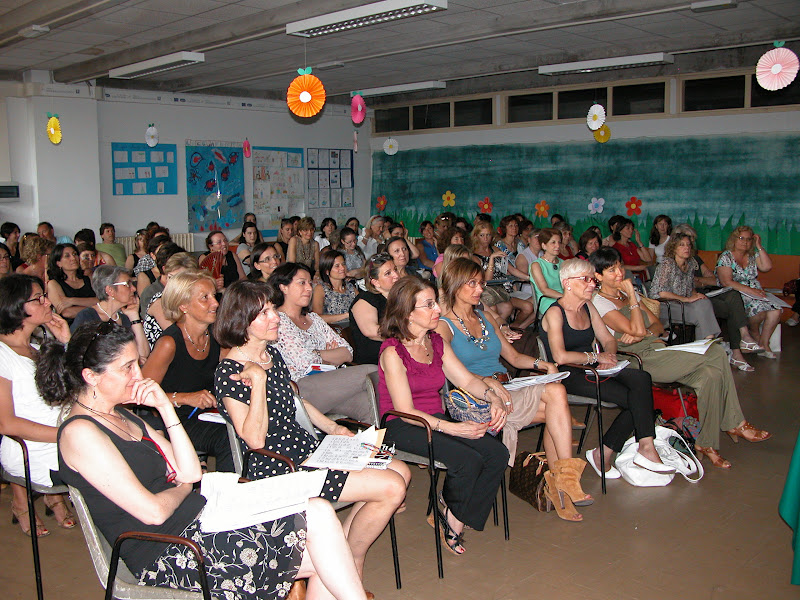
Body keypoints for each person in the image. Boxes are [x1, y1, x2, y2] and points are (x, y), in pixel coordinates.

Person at [40, 322, 369, 600]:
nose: (139, 376)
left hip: (200, 521)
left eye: (136, 364)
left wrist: (166, 409)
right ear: (91, 376)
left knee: (322, 524)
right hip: (170, 553)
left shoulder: (125, 416)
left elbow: (192, 471)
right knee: (325, 547)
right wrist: (183, 487)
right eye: (127, 368)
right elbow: (154, 511)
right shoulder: (80, 433)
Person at [214, 280, 410, 582]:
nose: (276, 317)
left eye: (272, 310)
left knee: (400, 470)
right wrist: (258, 383)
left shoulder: (271, 355)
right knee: (392, 487)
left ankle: (336, 555)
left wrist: (335, 429)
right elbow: (253, 439)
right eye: (264, 313)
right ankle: (351, 561)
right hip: (280, 465)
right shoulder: (230, 371)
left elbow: (297, 402)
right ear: (241, 321)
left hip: (308, 447)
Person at [436, 258, 591, 520]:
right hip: (474, 397)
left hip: (506, 387)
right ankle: (562, 485)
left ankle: (563, 480)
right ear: (454, 285)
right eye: (472, 283)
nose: (479, 289)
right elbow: (448, 371)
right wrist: (486, 382)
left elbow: (514, 358)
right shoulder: (443, 326)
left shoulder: (485, 317)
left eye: (480, 283)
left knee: (555, 394)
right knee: (556, 406)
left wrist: (544, 364)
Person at [589, 247, 770, 469]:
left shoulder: (627, 294)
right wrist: (635, 306)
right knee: (715, 352)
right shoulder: (600, 302)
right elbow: (632, 327)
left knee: (711, 375)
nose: (619, 273)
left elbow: (656, 325)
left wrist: (642, 329)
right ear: (598, 276)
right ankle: (735, 422)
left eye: (619, 267)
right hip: (638, 359)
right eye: (611, 270)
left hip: (657, 349)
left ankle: (707, 444)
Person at [379, 277, 511, 552]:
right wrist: (453, 428)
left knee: (496, 453)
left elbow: (467, 380)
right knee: (467, 459)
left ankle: (453, 513)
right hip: (402, 425)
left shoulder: (436, 342)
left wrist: (492, 397)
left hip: (434, 419)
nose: (437, 309)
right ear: (407, 312)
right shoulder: (393, 351)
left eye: (435, 302)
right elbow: (405, 412)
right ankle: (454, 523)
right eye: (428, 305)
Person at [540, 258, 670, 482]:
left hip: (595, 368)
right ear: (567, 283)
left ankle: (644, 444)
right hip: (567, 374)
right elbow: (560, 356)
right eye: (586, 280)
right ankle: (608, 451)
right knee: (636, 400)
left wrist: (609, 356)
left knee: (642, 378)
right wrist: (595, 357)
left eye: (593, 280)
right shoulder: (555, 313)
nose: (592, 284)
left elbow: (608, 340)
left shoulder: (588, 307)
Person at [0, 275, 74, 537]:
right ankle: (23, 503)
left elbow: (73, 389)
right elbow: (6, 424)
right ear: (17, 307)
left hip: (60, 438)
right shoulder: (2, 355)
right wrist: (65, 434)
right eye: (38, 298)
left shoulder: (37, 347)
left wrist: (65, 341)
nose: (47, 302)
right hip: (31, 447)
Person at [141, 270, 233, 472]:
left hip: (208, 414)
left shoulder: (214, 335)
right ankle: (228, 495)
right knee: (227, 437)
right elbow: (140, 394)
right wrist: (184, 398)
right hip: (176, 420)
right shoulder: (169, 343)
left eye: (214, 296)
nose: (215, 303)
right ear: (183, 306)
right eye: (205, 298)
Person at [269, 263, 378, 422]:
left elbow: (348, 352)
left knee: (371, 406)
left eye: (309, 283)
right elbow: (305, 362)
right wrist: (330, 356)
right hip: (302, 388)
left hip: (331, 384)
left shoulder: (313, 318)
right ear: (283, 287)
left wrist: (317, 354)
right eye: (302, 283)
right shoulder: (278, 321)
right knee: (372, 371)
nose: (309, 288)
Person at [672, 223, 761, 370]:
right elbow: (679, 287)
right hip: (692, 301)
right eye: (687, 242)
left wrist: (699, 282)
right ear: (676, 242)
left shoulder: (695, 259)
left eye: (692, 241)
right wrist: (696, 285)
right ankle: (738, 351)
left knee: (733, 295)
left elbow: (713, 278)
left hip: (708, 293)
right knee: (733, 305)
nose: (690, 245)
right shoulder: (671, 262)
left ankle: (743, 339)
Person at [716, 226, 782, 358]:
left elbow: (767, 266)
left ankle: (764, 343)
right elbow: (727, 282)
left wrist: (759, 246)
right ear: (734, 239)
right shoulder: (726, 257)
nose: (745, 242)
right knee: (758, 312)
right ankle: (754, 334)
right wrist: (751, 291)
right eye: (741, 238)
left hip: (755, 291)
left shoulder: (752, 255)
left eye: (748, 239)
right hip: (735, 292)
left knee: (776, 310)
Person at [649, 233, 722, 340]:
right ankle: (708, 343)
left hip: (682, 304)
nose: (686, 247)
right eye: (681, 245)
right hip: (665, 305)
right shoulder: (667, 265)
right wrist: (687, 299)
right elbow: (662, 293)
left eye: (688, 245)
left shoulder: (690, 264)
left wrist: (696, 295)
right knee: (701, 315)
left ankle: (707, 341)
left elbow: (690, 287)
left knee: (704, 302)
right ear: (674, 248)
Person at [70, 266, 150, 360]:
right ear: (110, 290)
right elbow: (76, 356)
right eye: (127, 284)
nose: (133, 288)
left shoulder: (125, 318)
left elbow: (143, 353)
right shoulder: (87, 317)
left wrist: (134, 316)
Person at [349, 253, 400, 365]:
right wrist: (405, 335)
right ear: (375, 282)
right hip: (375, 361)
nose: (396, 275)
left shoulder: (399, 297)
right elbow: (371, 331)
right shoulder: (365, 300)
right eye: (388, 273)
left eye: (395, 270)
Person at [143, 252, 198, 348]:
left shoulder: (189, 299)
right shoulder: (160, 302)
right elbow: (179, 336)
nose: (171, 282)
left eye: (178, 278)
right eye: (170, 277)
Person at [46, 243, 97, 320]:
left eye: (75, 254)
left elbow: (101, 300)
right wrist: (95, 307)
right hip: (73, 327)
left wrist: (72, 301)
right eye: (67, 256)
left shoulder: (88, 278)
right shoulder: (54, 284)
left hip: (95, 322)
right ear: (58, 263)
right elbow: (67, 313)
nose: (73, 258)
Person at [312, 250, 357, 326]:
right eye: (337, 266)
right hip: (332, 331)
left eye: (343, 264)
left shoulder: (350, 287)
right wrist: (346, 315)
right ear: (327, 271)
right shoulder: (321, 289)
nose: (342, 268)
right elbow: (317, 317)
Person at [529, 228, 564, 315]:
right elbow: (545, 290)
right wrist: (566, 298)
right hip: (548, 301)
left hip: (565, 300)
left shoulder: (563, 263)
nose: (558, 246)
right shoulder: (536, 265)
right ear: (544, 245)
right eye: (553, 242)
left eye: (559, 242)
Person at [611, 218, 650, 285]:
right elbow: (620, 266)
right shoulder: (616, 248)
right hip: (628, 278)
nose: (631, 231)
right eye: (628, 228)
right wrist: (638, 268)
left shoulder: (632, 245)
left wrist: (639, 242)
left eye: (632, 229)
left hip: (640, 276)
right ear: (620, 230)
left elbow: (647, 259)